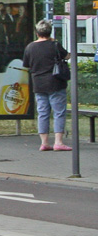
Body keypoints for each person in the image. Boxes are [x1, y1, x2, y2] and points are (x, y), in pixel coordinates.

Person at [22, 19, 71, 152]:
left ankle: (44, 143)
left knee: (43, 113)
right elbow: (66, 56)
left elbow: (26, 65)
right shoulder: (55, 45)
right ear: (50, 32)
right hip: (56, 82)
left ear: (37, 33)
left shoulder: (30, 47)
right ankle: (58, 142)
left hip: (38, 83)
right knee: (59, 112)